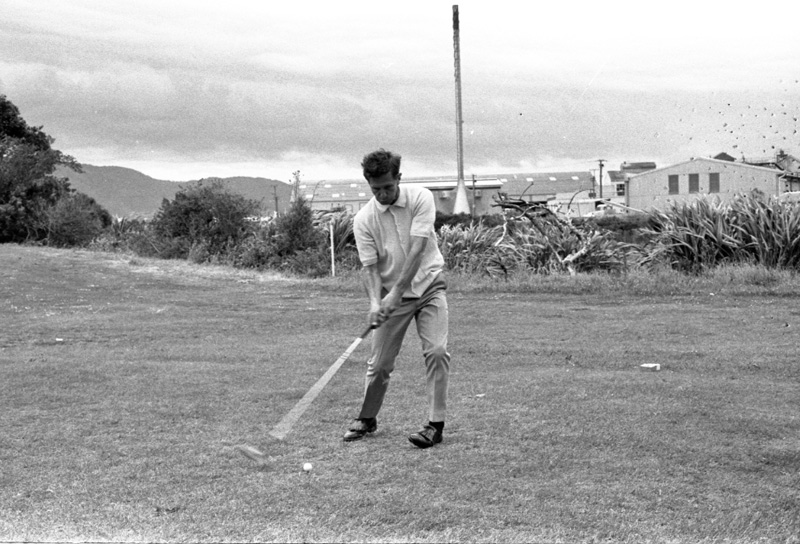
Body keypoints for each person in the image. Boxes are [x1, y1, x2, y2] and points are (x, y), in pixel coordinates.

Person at [343, 148, 451, 449]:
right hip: (393, 296)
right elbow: (370, 268)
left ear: (399, 178)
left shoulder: (421, 198)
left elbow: (417, 249)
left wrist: (397, 292)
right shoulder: (364, 219)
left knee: (437, 351)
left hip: (429, 286)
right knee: (379, 364)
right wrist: (376, 302)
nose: (382, 194)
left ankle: (434, 425)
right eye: (375, 189)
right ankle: (367, 418)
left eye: (388, 187)